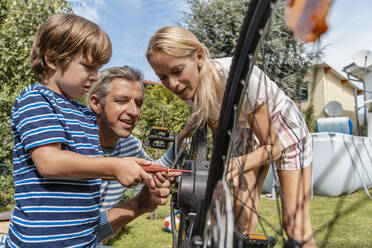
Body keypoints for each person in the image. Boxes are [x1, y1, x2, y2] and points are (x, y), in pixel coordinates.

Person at [146, 26, 317, 247]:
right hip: (242, 130)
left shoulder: (239, 78)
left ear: (199, 56)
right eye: (163, 77)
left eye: (177, 70)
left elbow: (272, 147)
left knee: (295, 225)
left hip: (281, 124)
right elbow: (221, 140)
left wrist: (236, 163)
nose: (172, 84)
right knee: (241, 222)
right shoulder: (191, 90)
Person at [5, 13, 158, 248]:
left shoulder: (85, 115)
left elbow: (92, 166)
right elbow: (50, 163)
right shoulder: (36, 100)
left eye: (99, 68)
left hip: (84, 241)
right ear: (53, 59)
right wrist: (116, 166)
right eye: (88, 67)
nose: (95, 76)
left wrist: (144, 169)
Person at [88, 66, 179, 243]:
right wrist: (138, 204)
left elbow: (156, 168)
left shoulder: (131, 145)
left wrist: (182, 139)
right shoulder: (73, 146)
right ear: (96, 103)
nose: (134, 112)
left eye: (138, 103)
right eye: (121, 101)